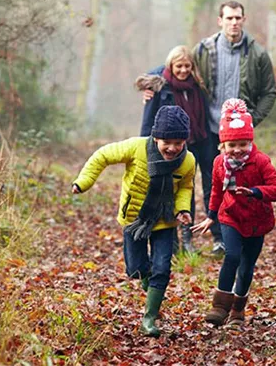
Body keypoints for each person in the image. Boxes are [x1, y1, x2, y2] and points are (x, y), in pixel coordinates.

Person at [144, 0, 276, 257]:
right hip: (204, 129)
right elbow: (175, 64)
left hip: (236, 136)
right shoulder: (204, 49)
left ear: (244, 19)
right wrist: (151, 83)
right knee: (190, 181)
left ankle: (223, 237)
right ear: (220, 21)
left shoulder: (257, 53)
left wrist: (251, 120)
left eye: (238, 18)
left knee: (224, 184)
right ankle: (187, 237)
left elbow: (270, 91)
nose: (234, 22)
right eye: (229, 18)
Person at [71, 105, 196, 337]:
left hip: (165, 222)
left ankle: (149, 319)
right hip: (134, 219)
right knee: (136, 269)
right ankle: (149, 282)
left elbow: (185, 188)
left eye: (178, 143)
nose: (172, 148)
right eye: (167, 141)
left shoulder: (187, 161)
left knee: (162, 268)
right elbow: (102, 156)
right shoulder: (136, 147)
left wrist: (182, 210)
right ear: (156, 136)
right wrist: (84, 182)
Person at [192, 98, 276, 327]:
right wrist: (211, 216)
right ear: (222, 146)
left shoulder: (261, 162)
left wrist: (256, 192)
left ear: (250, 142)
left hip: (257, 220)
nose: (237, 150)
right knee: (232, 255)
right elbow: (216, 190)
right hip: (230, 216)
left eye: (243, 144)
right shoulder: (219, 164)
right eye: (231, 145)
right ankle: (220, 306)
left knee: (246, 267)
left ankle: (237, 310)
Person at [135, 45, 214, 254]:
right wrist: (145, 148)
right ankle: (172, 242)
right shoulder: (160, 87)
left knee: (188, 190)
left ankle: (188, 239)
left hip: (195, 144)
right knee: (168, 191)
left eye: (187, 66)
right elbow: (148, 121)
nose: (183, 70)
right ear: (171, 65)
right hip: (167, 148)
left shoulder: (196, 86)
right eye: (179, 66)